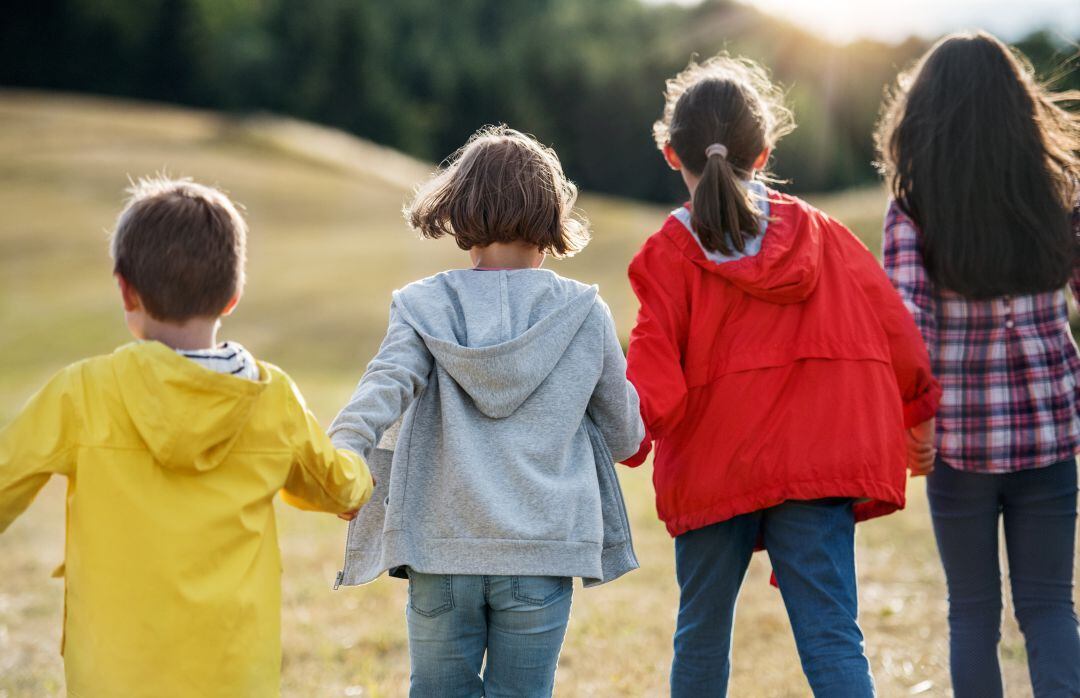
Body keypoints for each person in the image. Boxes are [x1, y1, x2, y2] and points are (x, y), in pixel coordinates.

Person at [623, 54, 941, 697]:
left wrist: (626, 438)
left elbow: (652, 366)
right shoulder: (822, 234)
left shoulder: (667, 253)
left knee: (701, 637)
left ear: (669, 154)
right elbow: (895, 328)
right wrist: (919, 418)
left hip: (714, 468)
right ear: (764, 153)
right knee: (832, 635)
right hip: (815, 464)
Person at [0, 177, 373, 697]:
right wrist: (359, 472)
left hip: (111, 675)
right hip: (234, 671)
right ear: (233, 296)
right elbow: (337, 487)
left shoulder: (81, 392)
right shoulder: (272, 397)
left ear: (125, 289)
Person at [328, 125, 644, 698]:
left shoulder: (424, 306)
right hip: (541, 551)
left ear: (459, 210)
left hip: (439, 549)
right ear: (551, 214)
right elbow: (626, 435)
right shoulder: (584, 313)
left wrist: (342, 450)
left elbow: (385, 384)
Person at [877, 31, 1080, 698]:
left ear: (925, 114)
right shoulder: (1057, 193)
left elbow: (908, 329)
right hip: (1050, 435)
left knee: (972, 614)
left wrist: (913, 423)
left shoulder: (914, 205)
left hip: (957, 444)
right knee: (1050, 606)